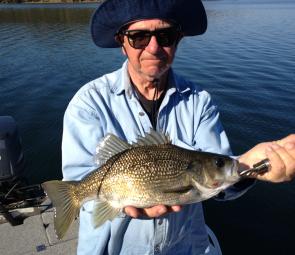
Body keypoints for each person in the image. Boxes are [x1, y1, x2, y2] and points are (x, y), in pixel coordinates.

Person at [61, 0, 295, 254]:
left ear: (178, 39)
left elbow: (219, 180)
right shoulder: (89, 104)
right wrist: (112, 198)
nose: (153, 47)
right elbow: (78, 184)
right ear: (122, 43)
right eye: (139, 37)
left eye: (165, 35)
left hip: (184, 248)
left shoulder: (199, 101)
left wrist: (249, 165)